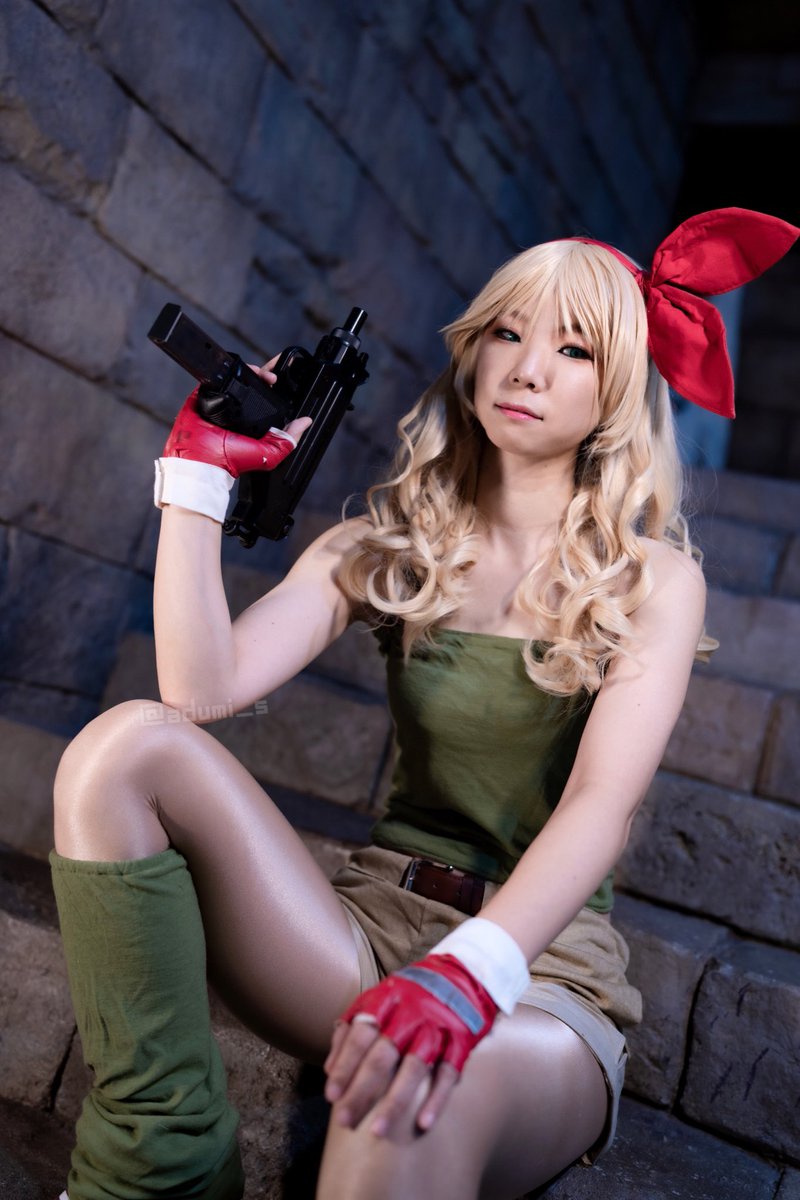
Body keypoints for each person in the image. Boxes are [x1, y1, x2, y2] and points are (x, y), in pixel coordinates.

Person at [51, 208, 798, 1200]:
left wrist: (469, 972)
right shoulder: (386, 546)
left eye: (572, 348)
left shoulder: (655, 581)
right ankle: (161, 1169)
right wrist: (193, 483)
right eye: (508, 333)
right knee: (122, 748)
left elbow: (601, 808)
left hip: (536, 976)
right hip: (363, 934)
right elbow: (198, 690)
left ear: (616, 386)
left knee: (406, 1091)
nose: (527, 368)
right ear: (473, 353)